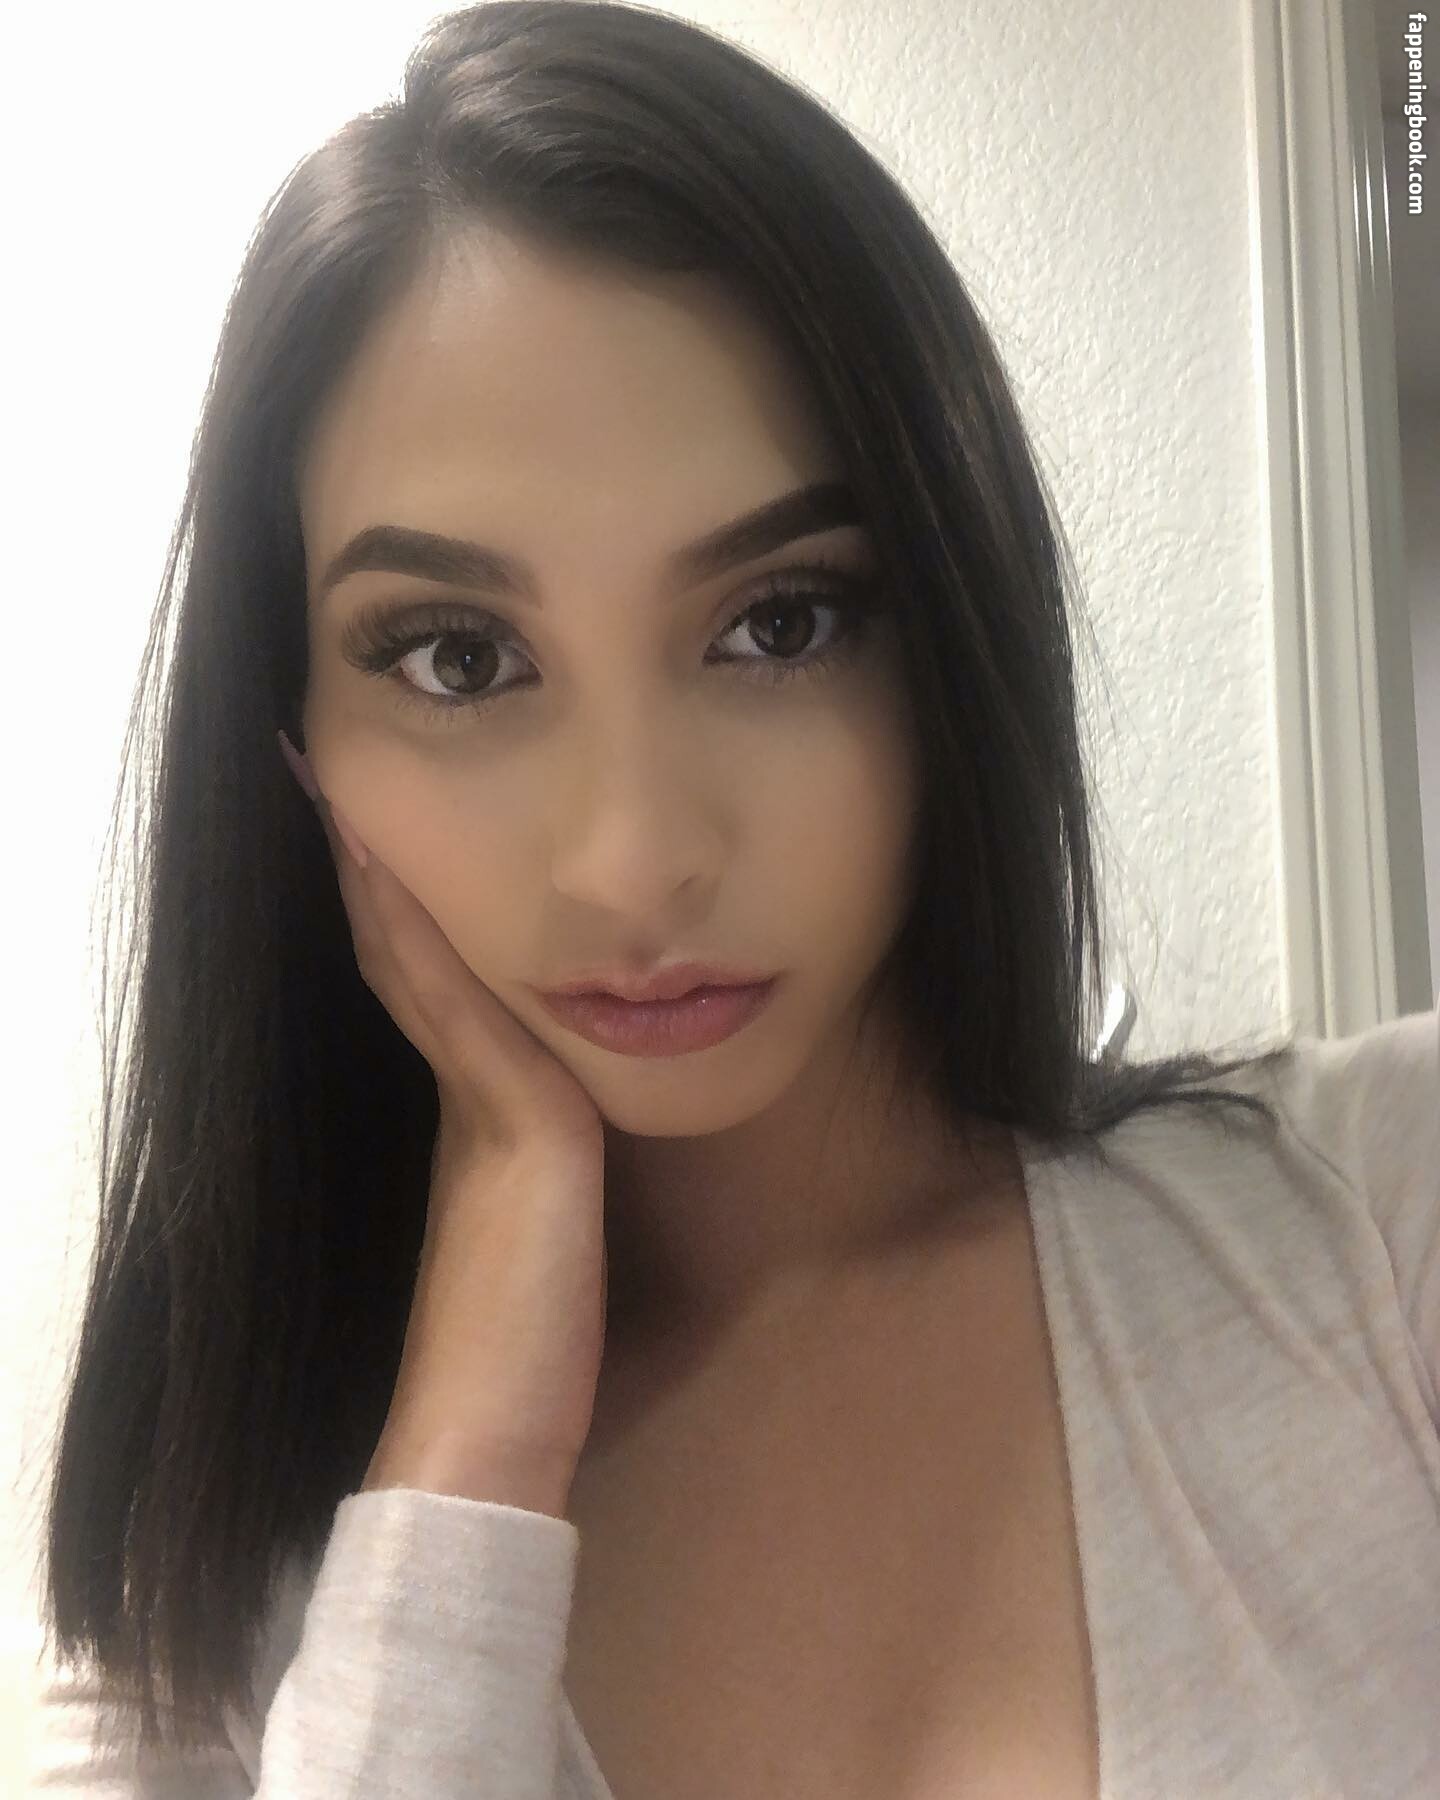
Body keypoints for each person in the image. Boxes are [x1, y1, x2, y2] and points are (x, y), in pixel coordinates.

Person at [28, 4, 1440, 1797]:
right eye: (459, 657)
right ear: (287, 742)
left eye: (780, 622)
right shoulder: (184, 1624)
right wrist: (463, 1469)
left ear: (952, 634)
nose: (635, 855)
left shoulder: (1379, 1222)